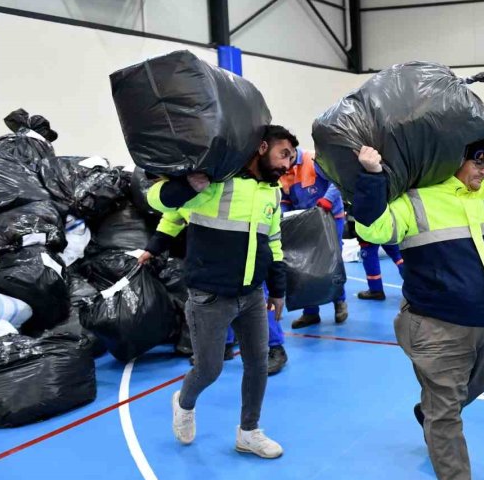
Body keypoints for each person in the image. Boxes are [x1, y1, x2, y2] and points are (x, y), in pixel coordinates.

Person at [351, 132, 484, 480]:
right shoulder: (418, 200)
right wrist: (373, 174)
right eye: (477, 162)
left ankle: (428, 413)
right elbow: (373, 228)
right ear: (453, 161)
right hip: (437, 326)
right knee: (447, 411)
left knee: (475, 387)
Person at [146, 124, 296, 458]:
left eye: (292, 158)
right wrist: (186, 185)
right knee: (209, 369)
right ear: (261, 147)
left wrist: (278, 289)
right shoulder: (217, 182)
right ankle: (184, 404)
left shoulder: (271, 192)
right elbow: (157, 200)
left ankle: (249, 431)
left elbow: (273, 242)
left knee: (257, 365)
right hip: (210, 296)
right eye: (283, 154)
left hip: (253, 295)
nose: (288, 164)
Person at [139, 209, 289, 375]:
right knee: (222, 299)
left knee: (259, 299)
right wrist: (153, 247)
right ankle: (224, 345)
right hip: (215, 255)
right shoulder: (191, 190)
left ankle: (275, 347)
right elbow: (173, 216)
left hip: (249, 252)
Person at [279, 147, 348, 328]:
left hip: (329, 218)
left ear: (292, 150)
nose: (285, 162)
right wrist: (284, 213)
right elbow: (286, 198)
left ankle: (339, 303)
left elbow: (337, 180)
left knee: (333, 260)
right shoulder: (282, 168)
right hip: (304, 221)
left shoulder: (314, 160)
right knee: (306, 266)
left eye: (287, 156)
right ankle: (310, 312)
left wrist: (328, 199)